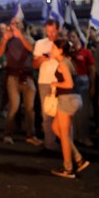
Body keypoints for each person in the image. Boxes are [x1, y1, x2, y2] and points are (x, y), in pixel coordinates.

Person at [50, 38, 90, 178]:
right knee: (56, 128)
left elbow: (69, 84)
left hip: (67, 99)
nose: (51, 50)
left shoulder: (62, 63)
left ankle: (68, 168)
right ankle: (78, 158)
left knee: (65, 135)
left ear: (60, 50)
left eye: (54, 48)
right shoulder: (68, 61)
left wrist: (55, 84)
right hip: (72, 99)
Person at [0, 18, 41, 146]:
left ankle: (30, 134)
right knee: (14, 106)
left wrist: (20, 37)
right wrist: (5, 39)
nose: (14, 25)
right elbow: (0, 54)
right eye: (12, 23)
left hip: (26, 76)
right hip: (13, 75)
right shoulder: (7, 39)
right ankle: (8, 134)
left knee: (30, 108)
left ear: (22, 26)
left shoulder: (28, 38)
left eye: (17, 23)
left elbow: (31, 49)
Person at [32, 18, 62, 151]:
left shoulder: (63, 44)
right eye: (48, 31)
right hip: (44, 81)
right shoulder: (40, 43)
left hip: (60, 83)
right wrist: (41, 60)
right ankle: (49, 143)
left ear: (58, 30)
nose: (50, 34)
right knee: (46, 114)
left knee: (61, 114)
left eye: (53, 31)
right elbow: (34, 64)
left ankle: (64, 141)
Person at [69, 29, 95, 147]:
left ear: (79, 37)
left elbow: (92, 69)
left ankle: (85, 137)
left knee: (84, 111)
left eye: (74, 37)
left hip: (83, 80)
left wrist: (93, 85)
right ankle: (76, 136)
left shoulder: (86, 52)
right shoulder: (69, 53)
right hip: (72, 81)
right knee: (74, 111)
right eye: (70, 37)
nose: (72, 39)